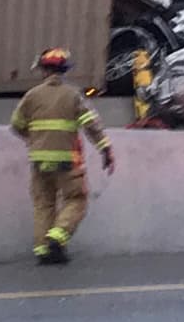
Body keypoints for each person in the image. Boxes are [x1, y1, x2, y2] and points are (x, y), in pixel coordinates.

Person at [10, 47, 115, 265]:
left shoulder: (32, 96)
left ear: (43, 70)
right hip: (67, 160)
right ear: (64, 70)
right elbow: (91, 126)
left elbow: (16, 125)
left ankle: (43, 250)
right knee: (76, 199)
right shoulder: (73, 95)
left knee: (44, 204)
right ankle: (58, 237)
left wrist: (34, 140)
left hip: (39, 160)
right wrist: (105, 149)